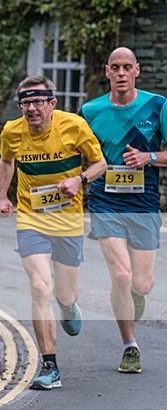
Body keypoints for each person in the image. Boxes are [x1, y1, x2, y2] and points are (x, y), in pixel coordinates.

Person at [0, 75, 106, 390]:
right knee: (40, 288)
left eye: (38, 102)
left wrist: (79, 181)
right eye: (25, 103)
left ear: (52, 103)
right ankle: (50, 366)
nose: (31, 109)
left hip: (68, 221)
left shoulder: (74, 127)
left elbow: (101, 164)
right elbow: (6, 162)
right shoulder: (12, 132)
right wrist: (3, 196)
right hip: (31, 219)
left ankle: (69, 306)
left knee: (64, 295)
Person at [78, 47, 167, 374]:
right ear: (106, 71)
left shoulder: (157, 106)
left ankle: (134, 296)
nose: (121, 73)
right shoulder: (91, 110)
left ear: (137, 70)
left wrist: (150, 158)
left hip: (143, 203)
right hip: (106, 202)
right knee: (122, 274)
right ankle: (130, 345)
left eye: (126, 67)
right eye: (115, 67)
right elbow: (81, 156)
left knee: (142, 284)